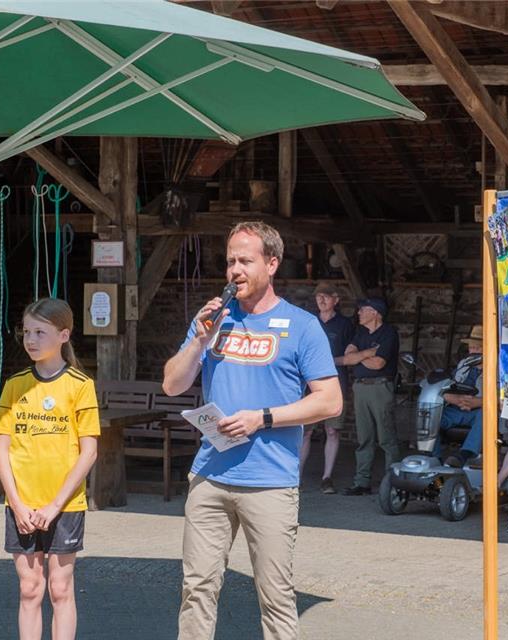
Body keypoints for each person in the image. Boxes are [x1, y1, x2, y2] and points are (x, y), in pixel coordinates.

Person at [163, 221, 341, 640]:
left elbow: (330, 401)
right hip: (210, 476)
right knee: (197, 589)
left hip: (270, 482)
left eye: (246, 261)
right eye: (230, 262)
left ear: (272, 264)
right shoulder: (212, 321)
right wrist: (198, 341)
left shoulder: (301, 326)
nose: (235, 270)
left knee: (276, 597)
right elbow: (172, 385)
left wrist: (261, 417)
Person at [0, 298, 99, 640]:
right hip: (21, 505)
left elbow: (89, 452)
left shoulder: (81, 386)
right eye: (27, 332)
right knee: (29, 588)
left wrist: (54, 506)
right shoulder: (15, 385)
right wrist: (18, 504)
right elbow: (1, 448)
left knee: (60, 588)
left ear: (64, 334)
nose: (31, 339)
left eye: (40, 332)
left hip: (65, 506)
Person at [300, 281, 354, 494]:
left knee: (332, 431)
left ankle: (327, 477)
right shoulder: (308, 322)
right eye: (318, 296)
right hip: (307, 385)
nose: (321, 300)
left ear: (336, 300)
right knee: (305, 432)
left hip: (335, 384)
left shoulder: (345, 325)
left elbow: (352, 352)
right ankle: (296, 477)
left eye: (326, 296)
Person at [342, 298, 399, 496]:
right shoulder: (360, 333)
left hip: (380, 387)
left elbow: (379, 364)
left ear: (375, 312)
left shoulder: (388, 333)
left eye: (363, 310)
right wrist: (368, 353)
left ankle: (392, 481)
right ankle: (362, 482)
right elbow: (348, 358)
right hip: (360, 388)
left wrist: (359, 357)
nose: (358, 313)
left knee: (386, 437)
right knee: (364, 437)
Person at [438, 325, 484, 468]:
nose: (473, 351)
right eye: (471, 347)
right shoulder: (463, 364)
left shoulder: (499, 367)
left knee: (486, 415)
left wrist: (480, 402)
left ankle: (465, 454)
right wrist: (454, 399)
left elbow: (504, 397)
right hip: (458, 407)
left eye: (478, 347)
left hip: (479, 410)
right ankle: (435, 458)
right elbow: (449, 386)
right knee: (433, 415)